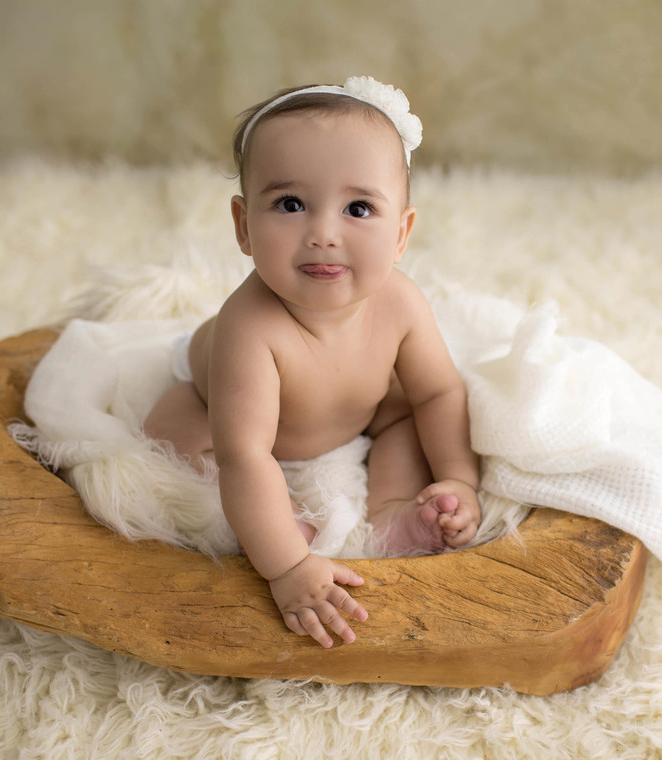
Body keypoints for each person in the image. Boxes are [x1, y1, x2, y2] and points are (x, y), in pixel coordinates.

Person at [142, 77, 481, 649]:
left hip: (356, 410)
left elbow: (438, 394)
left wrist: (460, 478)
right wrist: (288, 566)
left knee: (403, 423)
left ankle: (397, 512)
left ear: (401, 233)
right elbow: (245, 455)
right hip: (217, 405)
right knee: (173, 438)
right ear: (244, 226)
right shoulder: (248, 327)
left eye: (358, 208)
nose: (323, 234)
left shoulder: (400, 303)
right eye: (291, 204)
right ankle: (283, 518)